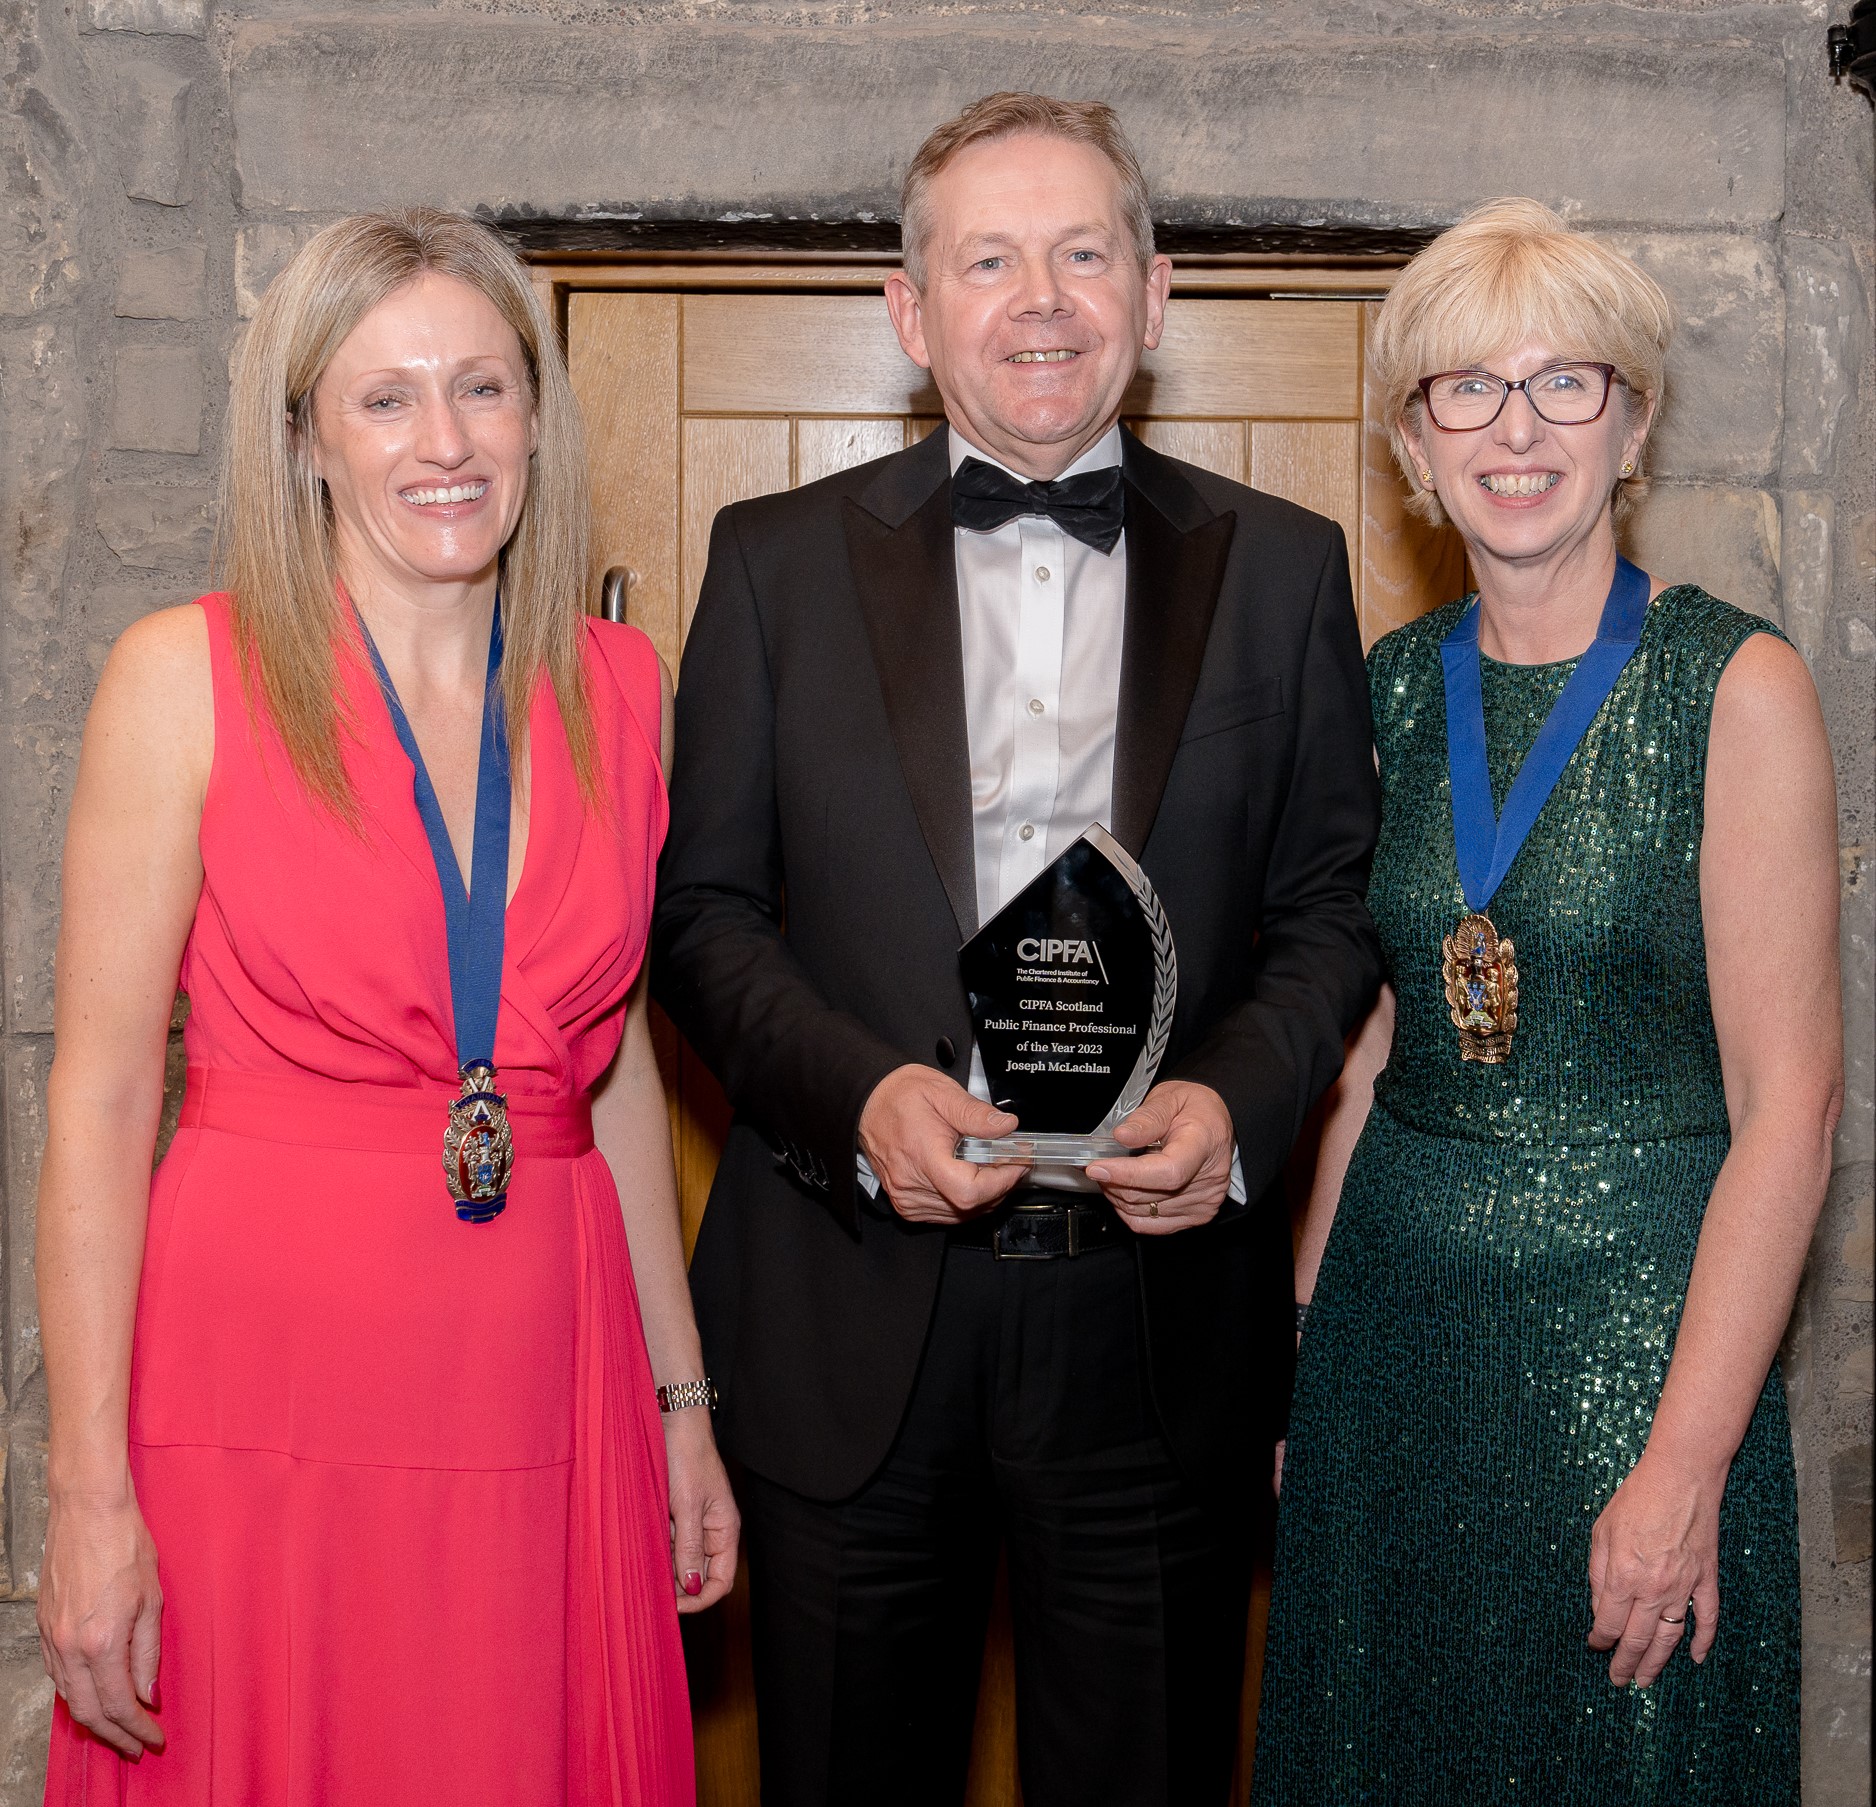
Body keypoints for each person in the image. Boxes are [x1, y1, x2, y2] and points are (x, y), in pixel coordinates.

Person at [652, 92, 1382, 1807]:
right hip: (847, 1317)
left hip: (1155, 1332)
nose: (1039, 300)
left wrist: (1237, 1107)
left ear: (1156, 290)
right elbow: (702, 915)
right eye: (987, 260)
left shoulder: (1286, 569)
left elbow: (1330, 909)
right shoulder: (770, 567)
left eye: (1081, 253)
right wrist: (858, 1098)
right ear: (913, 315)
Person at [36, 208, 736, 1803]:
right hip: (258, 1383)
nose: (446, 441)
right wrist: (85, 1493)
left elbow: (605, 1068)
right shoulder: (182, 675)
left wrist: (679, 1406)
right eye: (386, 397)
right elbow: (93, 1101)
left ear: (537, 422)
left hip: (546, 1375)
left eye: (484, 390)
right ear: (305, 442)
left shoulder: (625, 687)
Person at [1253, 198, 1840, 1803]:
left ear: (1632, 422)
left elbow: (1793, 1110)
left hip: (1641, 1358)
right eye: (1467, 391)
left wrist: (1685, 1460)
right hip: (1394, 1350)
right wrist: (1309, 1359)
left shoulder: (1739, 687)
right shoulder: (1382, 687)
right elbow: (1369, 1054)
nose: (1517, 432)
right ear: (1413, 444)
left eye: (1564, 384)